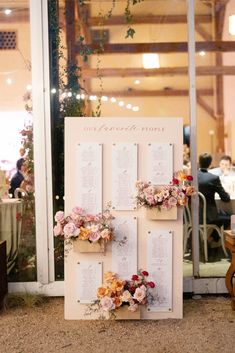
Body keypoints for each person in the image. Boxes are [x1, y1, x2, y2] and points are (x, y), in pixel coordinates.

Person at [198, 153, 231, 243]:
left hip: (192, 217)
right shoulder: (213, 178)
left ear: (199, 163)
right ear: (210, 163)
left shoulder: (191, 177)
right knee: (231, 217)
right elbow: (226, 198)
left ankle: (195, 243)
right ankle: (212, 239)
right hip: (209, 217)